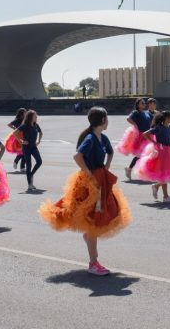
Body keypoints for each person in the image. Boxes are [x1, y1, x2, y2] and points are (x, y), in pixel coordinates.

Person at [39, 107, 131, 275]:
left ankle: (92, 251)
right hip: (91, 182)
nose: (108, 122)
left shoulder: (102, 138)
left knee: (101, 215)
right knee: (93, 219)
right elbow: (77, 156)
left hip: (101, 179)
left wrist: (107, 165)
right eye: (107, 119)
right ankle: (93, 263)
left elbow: (110, 152)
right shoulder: (90, 138)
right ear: (103, 120)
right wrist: (88, 172)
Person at [119, 98, 152, 180]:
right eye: (142, 103)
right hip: (141, 136)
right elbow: (128, 118)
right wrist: (135, 125)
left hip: (148, 135)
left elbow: (152, 121)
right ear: (137, 105)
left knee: (147, 154)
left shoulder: (146, 113)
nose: (144, 104)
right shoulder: (136, 113)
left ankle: (144, 171)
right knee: (140, 155)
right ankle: (129, 169)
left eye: (144, 103)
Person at [13, 109, 43, 192]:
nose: (36, 117)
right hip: (26, 147)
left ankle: (31, 175)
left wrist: (38, 141)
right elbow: (15, 133)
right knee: (28, 165)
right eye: (35, 116)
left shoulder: (36, 125)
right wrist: (21, 141)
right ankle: (30, 184)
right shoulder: (25, 125)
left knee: (39, 161)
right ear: (31, 117)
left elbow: (41, 133)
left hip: (33, 147)